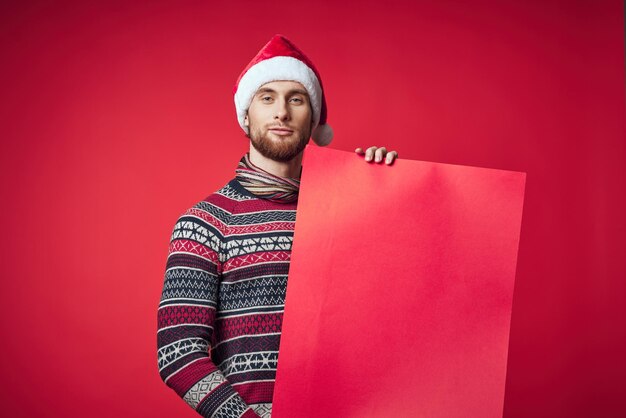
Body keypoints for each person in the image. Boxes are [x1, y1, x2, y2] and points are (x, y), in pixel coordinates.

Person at [157, 34, 398, 418]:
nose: (282, 112)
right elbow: (178, 353)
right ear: (247, 114)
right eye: (267, 97)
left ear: (314, 118)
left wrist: (393, 189)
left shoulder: (350, 212)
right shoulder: (205, 223)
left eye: (296, 99)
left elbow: (397, 311)